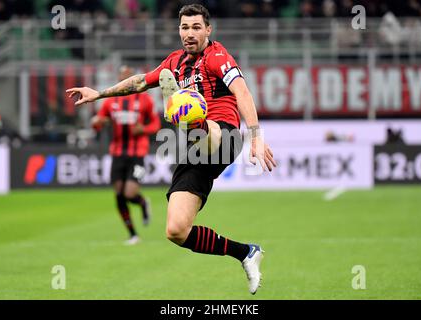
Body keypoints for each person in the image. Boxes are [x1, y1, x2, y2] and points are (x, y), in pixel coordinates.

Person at [67, 4, 276, 294]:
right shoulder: (174, 62)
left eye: (196, 27)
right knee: (176, 230)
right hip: (195, 151)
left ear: (208, 30)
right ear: (179, 30)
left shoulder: (218, 56)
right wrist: (100, 93)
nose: (189, 33)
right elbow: (140, 81)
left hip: (224, 135)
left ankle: (186, 113)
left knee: (196, 118)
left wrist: (256, 136)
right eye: (184, 27)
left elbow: (241, 91)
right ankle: (246, 253)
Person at [91, 65, 161, 245]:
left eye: (128, 76)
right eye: (122, 76)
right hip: (117, 152)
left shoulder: (145, 100)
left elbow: (156, 125)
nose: (125, 80)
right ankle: (132, 234)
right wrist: (99, 122)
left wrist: (143, 129)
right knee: (119, 194)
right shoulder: (109, 102)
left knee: (130, 193)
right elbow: (97, 124)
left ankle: (143, 203)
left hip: (138, 153)